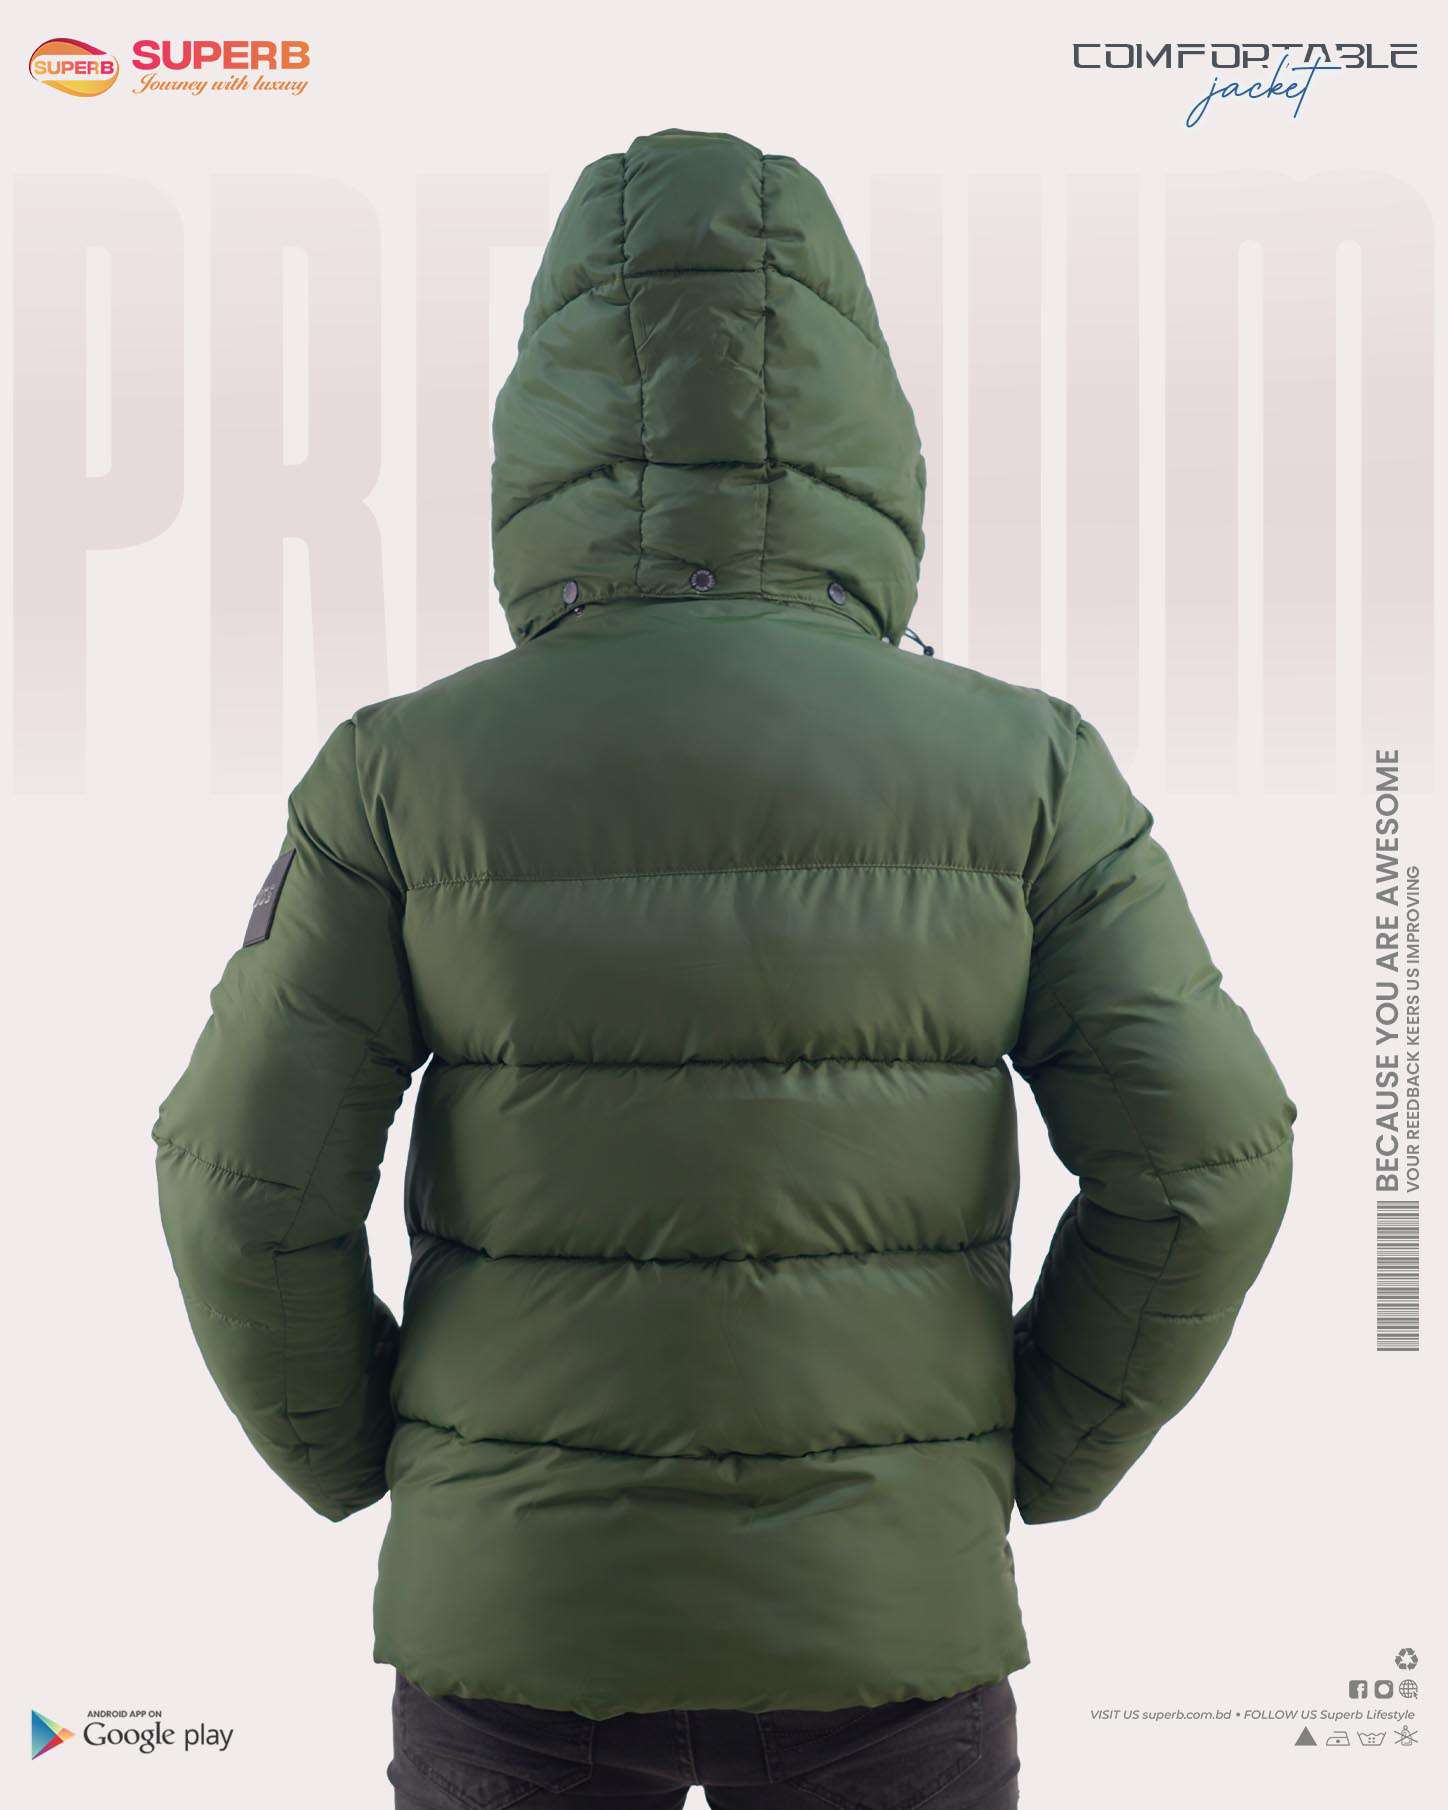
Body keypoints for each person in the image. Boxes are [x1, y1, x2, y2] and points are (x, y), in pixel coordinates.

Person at [155, 129, 1294, 1809]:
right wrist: (1019, 1454)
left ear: (545, 427)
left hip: (514, 1623)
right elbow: (1212, 1159)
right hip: (889, 1624)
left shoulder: (401, 773)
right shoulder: (1029, 768)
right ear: (863, 423)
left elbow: (238, 1187)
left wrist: (370, 1453)